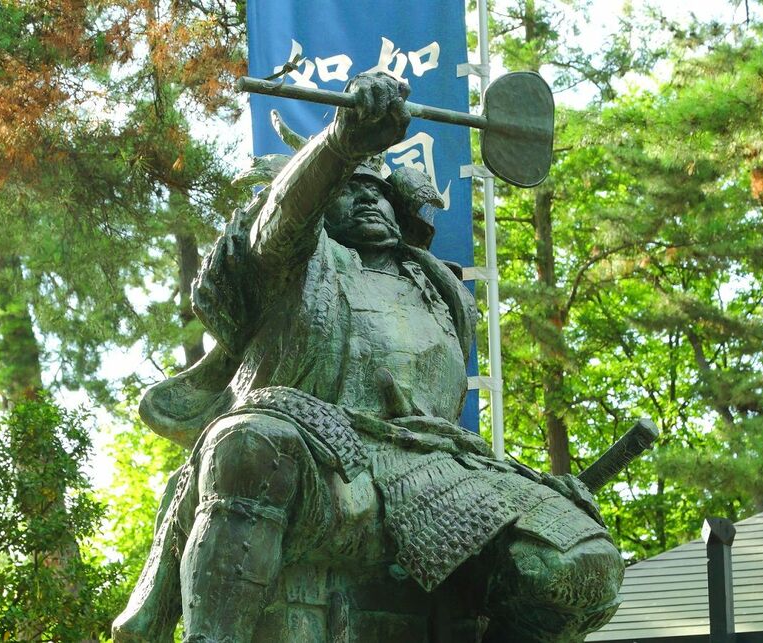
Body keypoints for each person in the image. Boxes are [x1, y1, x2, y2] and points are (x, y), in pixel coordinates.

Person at [114, 72, 623, 643]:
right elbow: (277, 224)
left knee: (582, 566)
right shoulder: (295, 265)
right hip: (326, 458)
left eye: (379, 192)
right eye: (349, 189)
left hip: (441, 466)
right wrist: (341, 143)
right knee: (251, 444)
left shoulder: (442, 291)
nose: (368, 200)